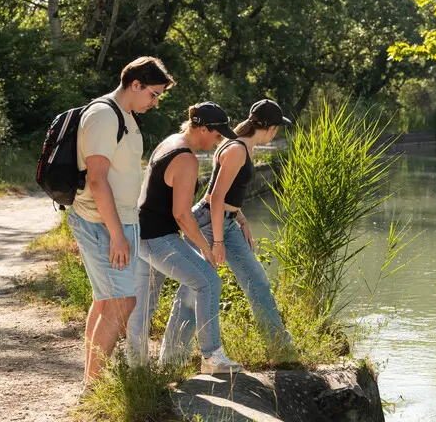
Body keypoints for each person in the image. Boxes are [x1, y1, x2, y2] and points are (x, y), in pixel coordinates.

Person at [159, 99, 295, 365]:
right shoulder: (236, 150)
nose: (276, 132)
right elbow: (216, 197)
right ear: (268, 128)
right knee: (192, 291)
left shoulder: (245, 147)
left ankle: (279, 346)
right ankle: (171, 360)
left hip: (226, 220)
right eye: (276, 128)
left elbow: (231, 195)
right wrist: (218, 242)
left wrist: (242, 221)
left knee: (257, 280)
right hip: (211, 223)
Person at [69, 56, 174, 385]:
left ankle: (92, 378)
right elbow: (97, 179)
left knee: (106, 301)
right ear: (136, 85)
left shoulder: (124, 115)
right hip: (104, 223)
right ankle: (94, 386)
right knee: (123, 301)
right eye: (153, 94)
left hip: (118, 221)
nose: (155, 102)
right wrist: (117, 234)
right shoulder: (103, 115)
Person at [128, 102, 243, 373]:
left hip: (139, 233)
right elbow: (181, 215)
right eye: (217, 135)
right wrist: (207, 248)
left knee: (143, 306)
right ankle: (212, 357)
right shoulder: (186, 159)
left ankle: (135, 369)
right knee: (209, 282)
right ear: (202, 129)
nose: (219, 141)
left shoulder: (170, 142)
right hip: (158, 238)